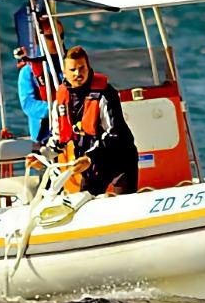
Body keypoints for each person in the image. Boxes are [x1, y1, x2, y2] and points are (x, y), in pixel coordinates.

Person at [34, 45, 139, 196]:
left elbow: (116, 135)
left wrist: (89, 158)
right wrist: (40, 155)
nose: (78, 73)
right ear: (64, 72)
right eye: (72, 70)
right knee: (85, 201)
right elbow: (58, 139)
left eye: (82, 68)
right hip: (92, 165)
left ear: (88, 68)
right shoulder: (62, 100)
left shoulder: (106, 94)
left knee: (124, 202)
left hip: (119, 159)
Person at [14, 19, 60, 143]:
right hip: (44, 137)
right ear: (38, 40)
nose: (57, 41)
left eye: (60, 36)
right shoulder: (28, 71)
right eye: (51, 37)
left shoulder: (71, 66)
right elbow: (28, 104)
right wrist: (56, 108)